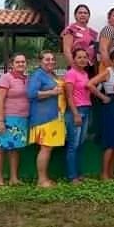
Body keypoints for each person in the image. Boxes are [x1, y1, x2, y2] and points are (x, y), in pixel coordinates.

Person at [87, 50, 114, 180]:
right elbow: (90, 84)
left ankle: (111, 173)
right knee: (110, 141)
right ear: (112, 61)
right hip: (111, 106)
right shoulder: (108, 71)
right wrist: (103, 97)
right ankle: (104, 174)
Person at [27, 50, 66, 188]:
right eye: (47, 59)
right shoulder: (37, 75)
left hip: (55, 116)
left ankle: (45, 179)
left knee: (48, 148)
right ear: (40, 61)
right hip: (44, 117)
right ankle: (42, 180)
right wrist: (51, 92)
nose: (51, 62)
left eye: (52, 59)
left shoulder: (51, 74)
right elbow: (31, 94)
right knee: (46, 148)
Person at [0, 53, 29, 186]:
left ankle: (14, 178)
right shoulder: (6, 78)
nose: (21, 64)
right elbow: (0, 100)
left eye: (23, 62)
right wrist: (0, 120)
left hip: (22, 118)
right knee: (1, 147)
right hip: (8, 118)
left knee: (15, 148)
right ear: (12, 64)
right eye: (18, 62)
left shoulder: (27, 78)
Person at [63, 48, 92, 184]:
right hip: (76, 110)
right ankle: (72, 176)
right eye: (79, 57)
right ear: (73, 59)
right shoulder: (71, 74)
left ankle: (78, 174)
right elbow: (69, 96)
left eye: (84, 57)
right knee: (73, 145)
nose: (82, 60)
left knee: (80, 144)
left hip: (86, 108)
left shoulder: (85, 74)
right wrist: (75, 114)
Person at [61, 4, 99, 74]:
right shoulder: (70, 29)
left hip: (90, 67)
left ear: (88, 16)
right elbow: (66, 50)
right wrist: (75, 67)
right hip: (76, 66)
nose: (83, 15)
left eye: (85, 13)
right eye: (80, 13)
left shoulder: (93, 32)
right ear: (75, 15)